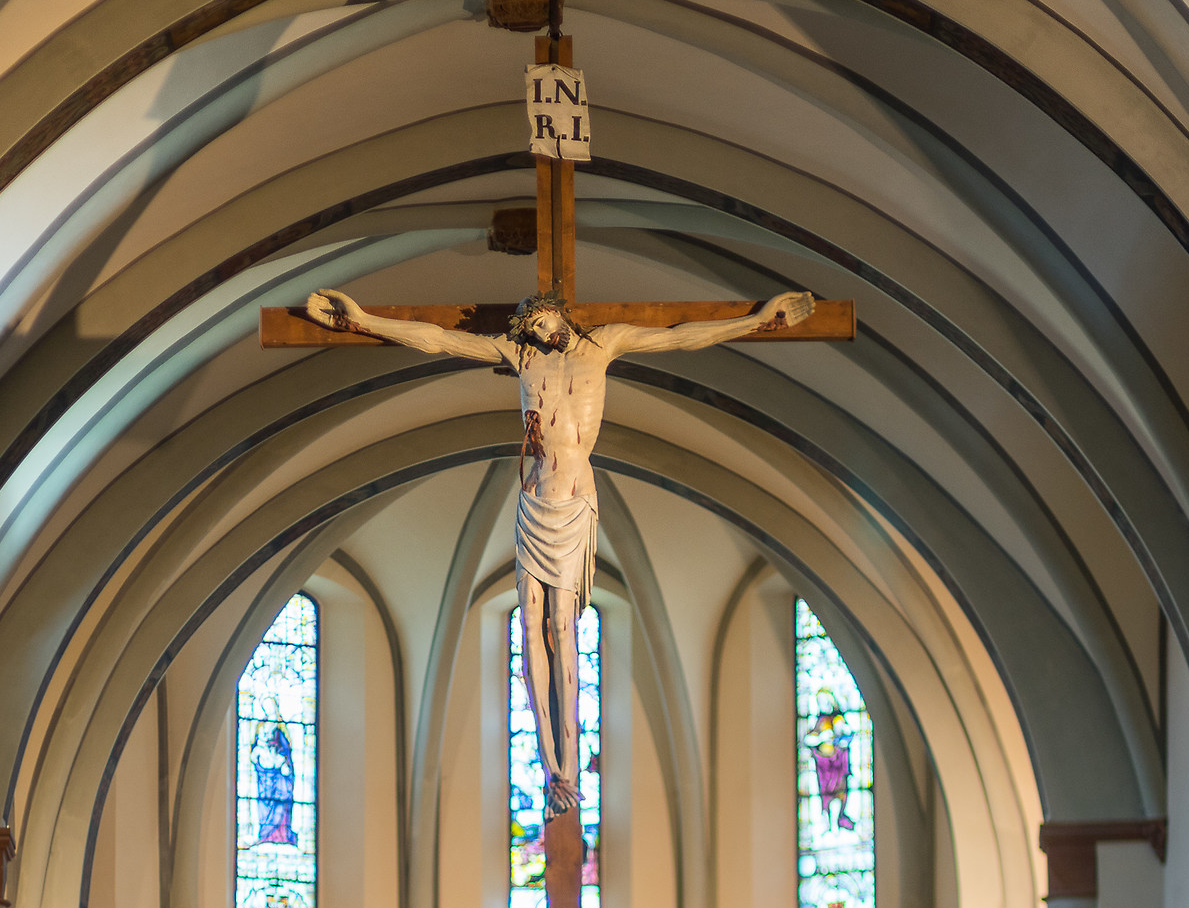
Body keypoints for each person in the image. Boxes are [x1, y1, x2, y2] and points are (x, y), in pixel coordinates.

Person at [303, 284, 813, 813]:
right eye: (535, 329)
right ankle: (550, 767)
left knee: (564, 632)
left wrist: (757, 322)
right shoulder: (519, 356)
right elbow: (437, 340)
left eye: (547, 322)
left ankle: (570, 765)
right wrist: (363, 320)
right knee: (528, 630)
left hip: (573, 507)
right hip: (533, 505)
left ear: (560, 314)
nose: (545, 333)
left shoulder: (605, 344)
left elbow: (680, 337)